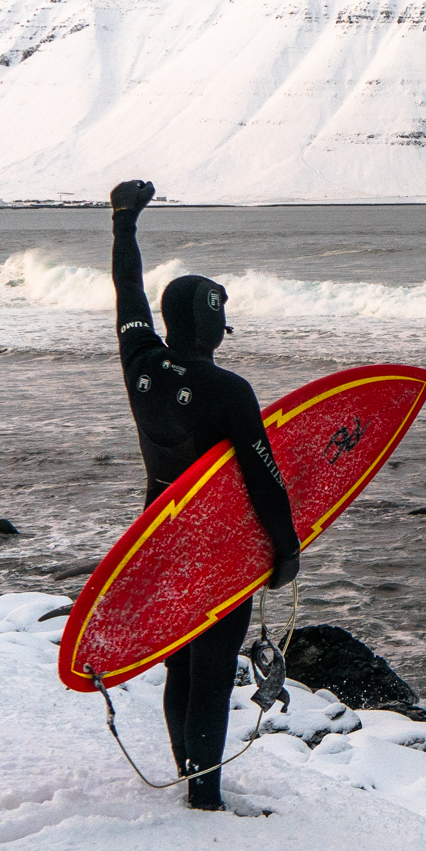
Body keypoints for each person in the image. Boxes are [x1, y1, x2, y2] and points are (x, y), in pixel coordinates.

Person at [109, 178, 301, 810]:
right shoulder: (229, 393)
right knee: (213, 673)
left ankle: (190, 775)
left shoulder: (139, 359)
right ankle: (205, 797)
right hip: (217, 549)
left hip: (159, 535)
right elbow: (264, 478)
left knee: (178, 664)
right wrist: (285, 548)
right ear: (212, 325)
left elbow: (129, 291)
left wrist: (124, 223)